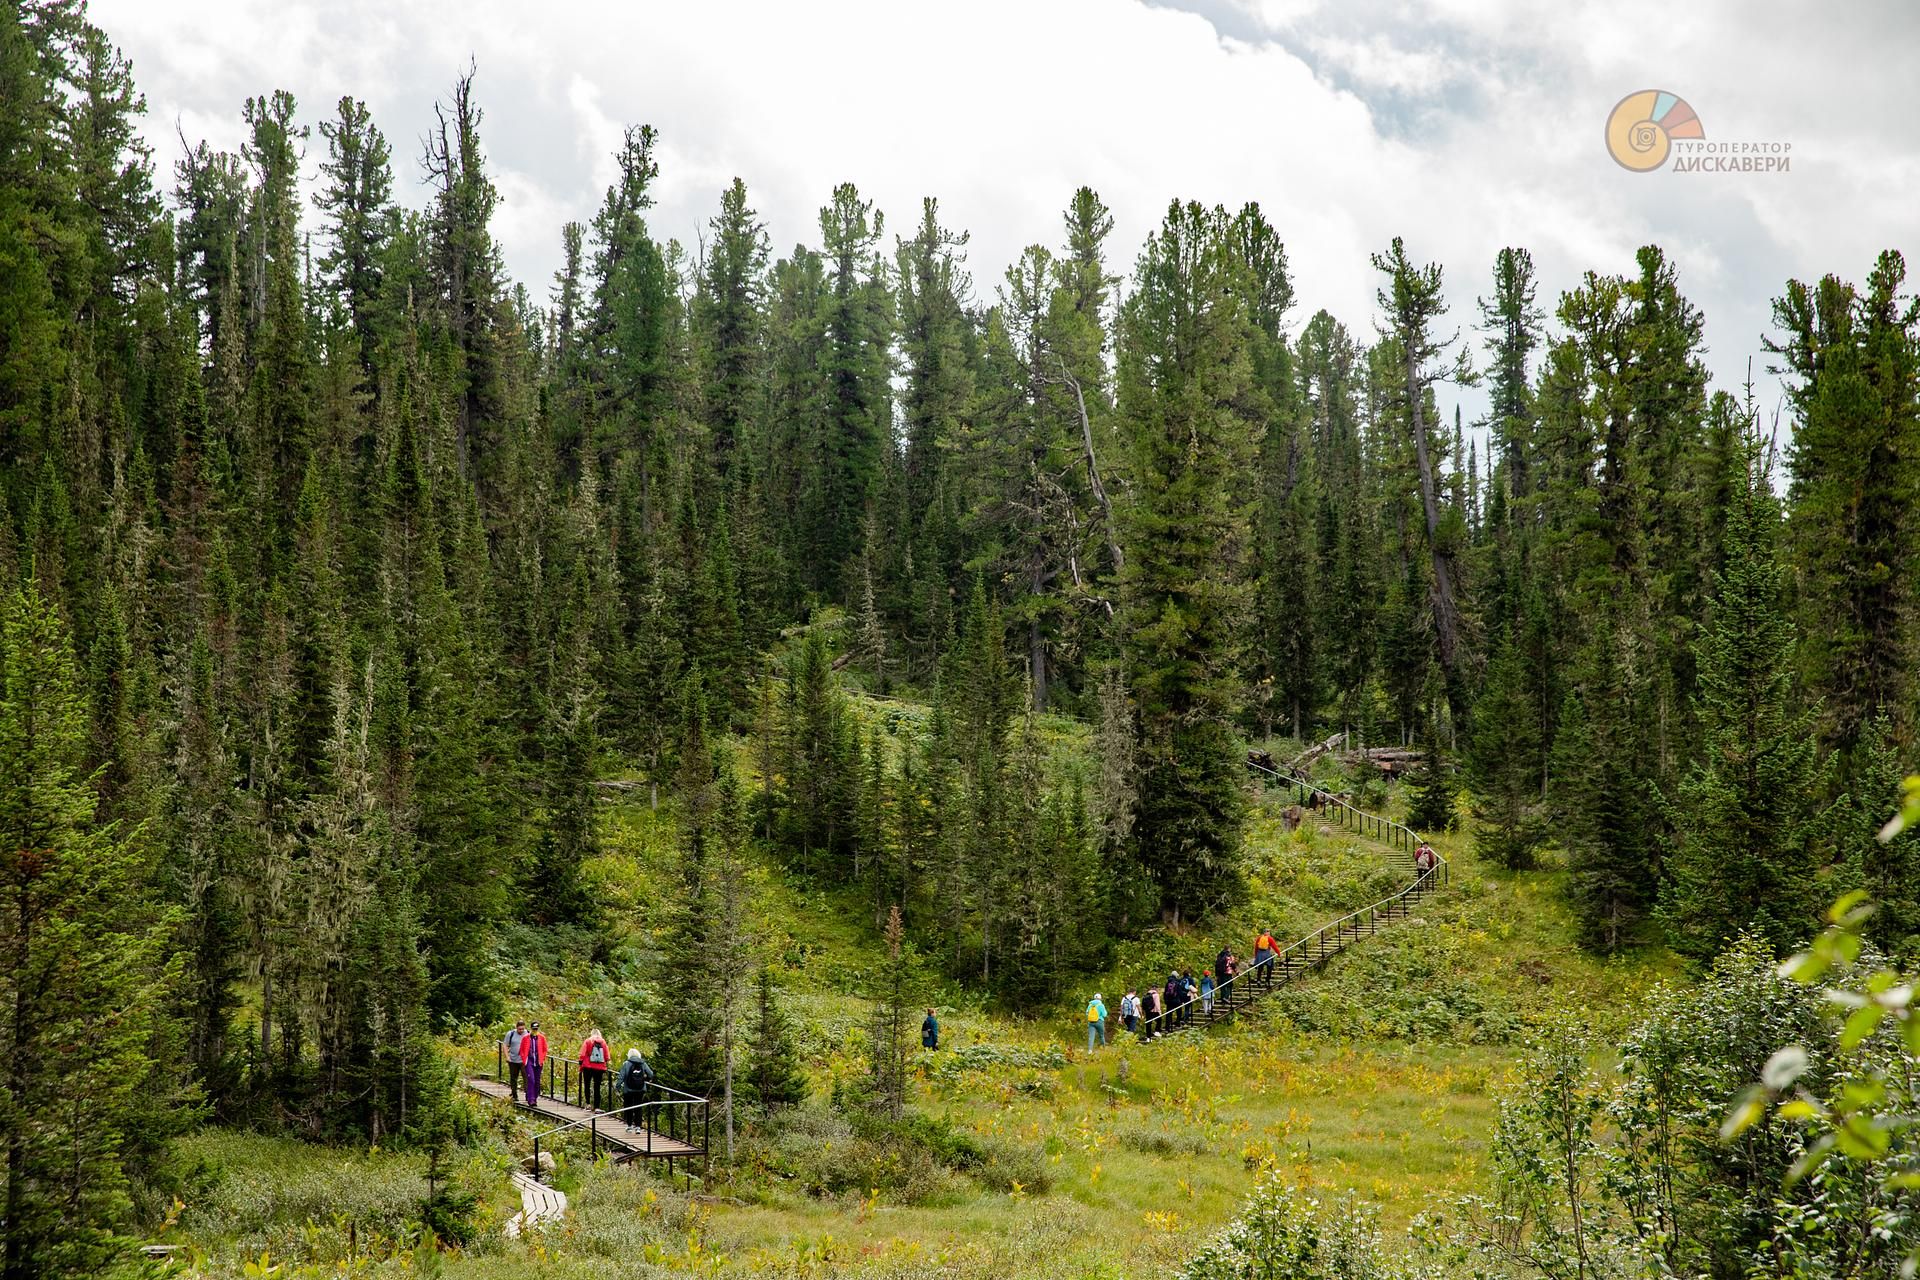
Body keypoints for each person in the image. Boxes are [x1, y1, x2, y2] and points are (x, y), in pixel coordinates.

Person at [616, 1048, 654, 1130]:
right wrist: (645, 1079)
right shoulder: (643, 1063)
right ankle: (638, 1127)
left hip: (628, 1089)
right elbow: (651, 1074)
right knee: (638, 1107)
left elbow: (621, 1077)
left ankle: (629, 1126)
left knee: (628, 1107)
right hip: (640, 1089)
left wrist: (618, 1087)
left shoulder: (626, 1064)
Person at [579, 1027, 612, 1109]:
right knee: (597, 1087)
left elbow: (582, 1053)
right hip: (599, 1068)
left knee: (587, 1085)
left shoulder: (588, 1041)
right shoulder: (603, 1042)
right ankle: (597, 1107)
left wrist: (580, 1061)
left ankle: (588, 1104)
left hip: (588, 1067)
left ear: (592, 1033)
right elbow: (607, 1056)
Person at [522, 1020, 549, 1106]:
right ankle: (531, 1099)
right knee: (531, 1080)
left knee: (537, 1081)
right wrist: (524, 1060)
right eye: (533, 1029)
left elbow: (545, 1049)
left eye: (536, 1029)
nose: (535, 1031)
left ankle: (535, 1097)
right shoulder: (526, 1038)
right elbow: (522, 1050)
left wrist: (542, 1059)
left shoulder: (542, 1038)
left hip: (538, 1062)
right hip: (529, 1061)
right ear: (531, 1028)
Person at [503, 1019, 527, 1099]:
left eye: (522, 1029)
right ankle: (514, 1094)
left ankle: (528, 1094)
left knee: (526, 1076)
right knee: (513, 1077)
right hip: (513, 1059)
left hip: (524, 1060)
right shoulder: (511, 1034)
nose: (521, 1031)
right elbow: (505, 1045)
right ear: (516, 1028)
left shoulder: (527, 1034)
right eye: (520, 1029)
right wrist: (507, 1056)